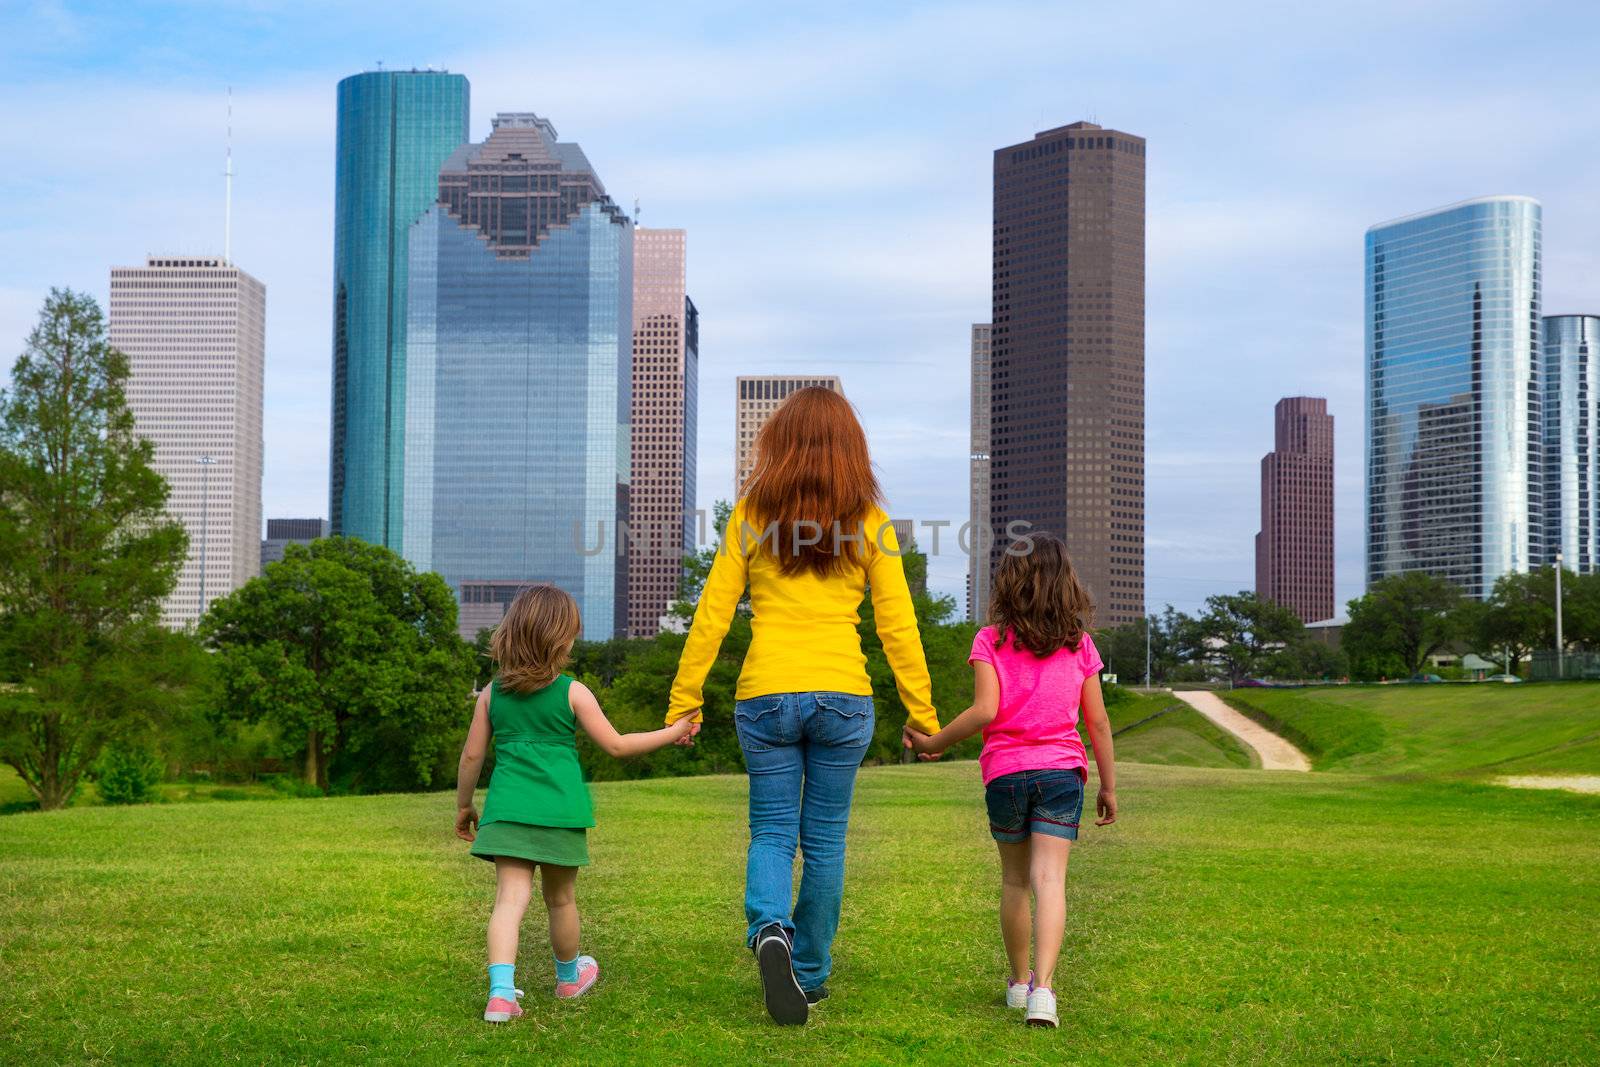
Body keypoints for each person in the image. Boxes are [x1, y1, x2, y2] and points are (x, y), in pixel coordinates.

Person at [666, 386, 939, 1025]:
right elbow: (898, 626)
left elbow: (710, 616)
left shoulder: (751, 515)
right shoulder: (869, 521)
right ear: (852, 448)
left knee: (770, 831)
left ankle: (770, 930)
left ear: (778, 446)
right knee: (825, 841)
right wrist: (922, 715)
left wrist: (684, 699)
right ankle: (810, 975)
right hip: (843, 697)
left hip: (764, 695)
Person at [455, 583, 695, 1023]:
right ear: (562, 639)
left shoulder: (491, 694)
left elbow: (472, 756)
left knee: (510, 900)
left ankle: (502, 996)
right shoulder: (573, 692)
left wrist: (464, 806)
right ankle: (569, 978)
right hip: (561, 814)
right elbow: (618, 746)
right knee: (561, 900)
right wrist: (674, 730)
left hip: (507, 812)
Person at [906, 533, 1117, 1028]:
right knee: (1051, 880)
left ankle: (1019, 983)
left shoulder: (991, 640)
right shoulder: (1080, 645)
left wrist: (934, 743)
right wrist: (1107, 786)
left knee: (1016, 880)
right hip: (1063, 772)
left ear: (1010, 581)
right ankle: (1045, 991)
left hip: (1006, 773)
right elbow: (1099, 723)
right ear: (1067, 582)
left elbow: (985, 711)